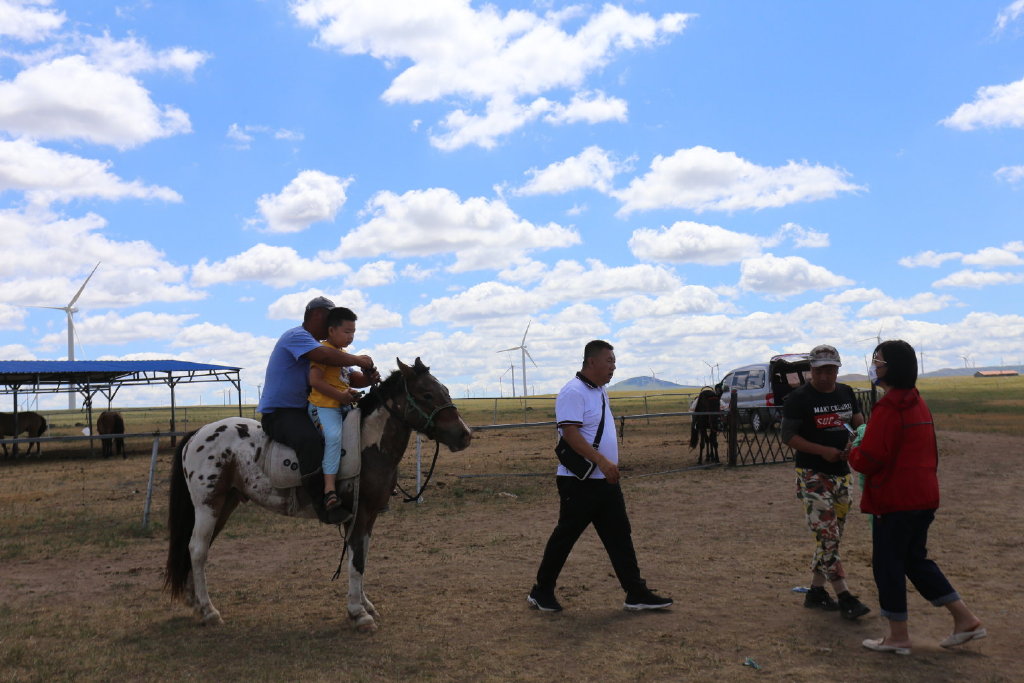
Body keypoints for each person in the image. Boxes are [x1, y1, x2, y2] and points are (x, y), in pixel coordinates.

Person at [850, 340, 985, 656]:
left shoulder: (889, 407)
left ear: (891, 367)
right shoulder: (917, 403)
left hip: (896, 500)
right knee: (914, 560)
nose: (874, 366)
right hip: (923, 497)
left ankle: (898, 636)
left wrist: (853, 453)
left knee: (888, 565)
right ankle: (966, 619)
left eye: (877, 361)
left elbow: (871, 457)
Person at [528, 340, 672, 613]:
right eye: (609, 361)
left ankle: (636, 593)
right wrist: (601, 461)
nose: (614, 366)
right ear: (591, 362)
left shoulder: (601, 391)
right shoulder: (573, 392)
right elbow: (570, 434)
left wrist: (606, 467)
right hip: (579, 481)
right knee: (565, 537)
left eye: (614, 362)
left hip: (604, 481)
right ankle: (541, 592)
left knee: (620, 536)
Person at [257, 296, 377, 522]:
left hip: (305, 409)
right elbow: (323, 357)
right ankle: (323, 504)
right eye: (330, 319)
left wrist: (369, 378)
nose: (332, 326)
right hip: (282, 413)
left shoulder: (331, 349)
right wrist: (358, 359)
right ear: (317, 315)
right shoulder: (298, 337)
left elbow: (348, 375)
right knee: (310, 442)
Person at [781, 344, 870, 620]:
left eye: (831, 370)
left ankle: (816, 592)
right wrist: (823, 451)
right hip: (812, 475)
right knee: (828, 535)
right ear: (811, 369)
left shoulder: (846, 392)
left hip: (842, 475)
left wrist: (856, 439)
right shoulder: (799, 398)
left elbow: (857, 420)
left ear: (837, 369)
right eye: (820, 370)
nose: (825, 376)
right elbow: (788, 436)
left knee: (832, 537)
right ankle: (844, 595)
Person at [307, 306, 374, 512]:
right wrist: (341, 396)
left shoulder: (342, 355)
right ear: (331, 331)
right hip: (323, 406)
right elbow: (315, 381)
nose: (351, 336)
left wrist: (370, 377)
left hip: (341, 405)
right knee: (334, 438)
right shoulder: (323, 352)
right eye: (347, 332)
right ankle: (329, 489)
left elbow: (349, 380)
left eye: (353, 332)